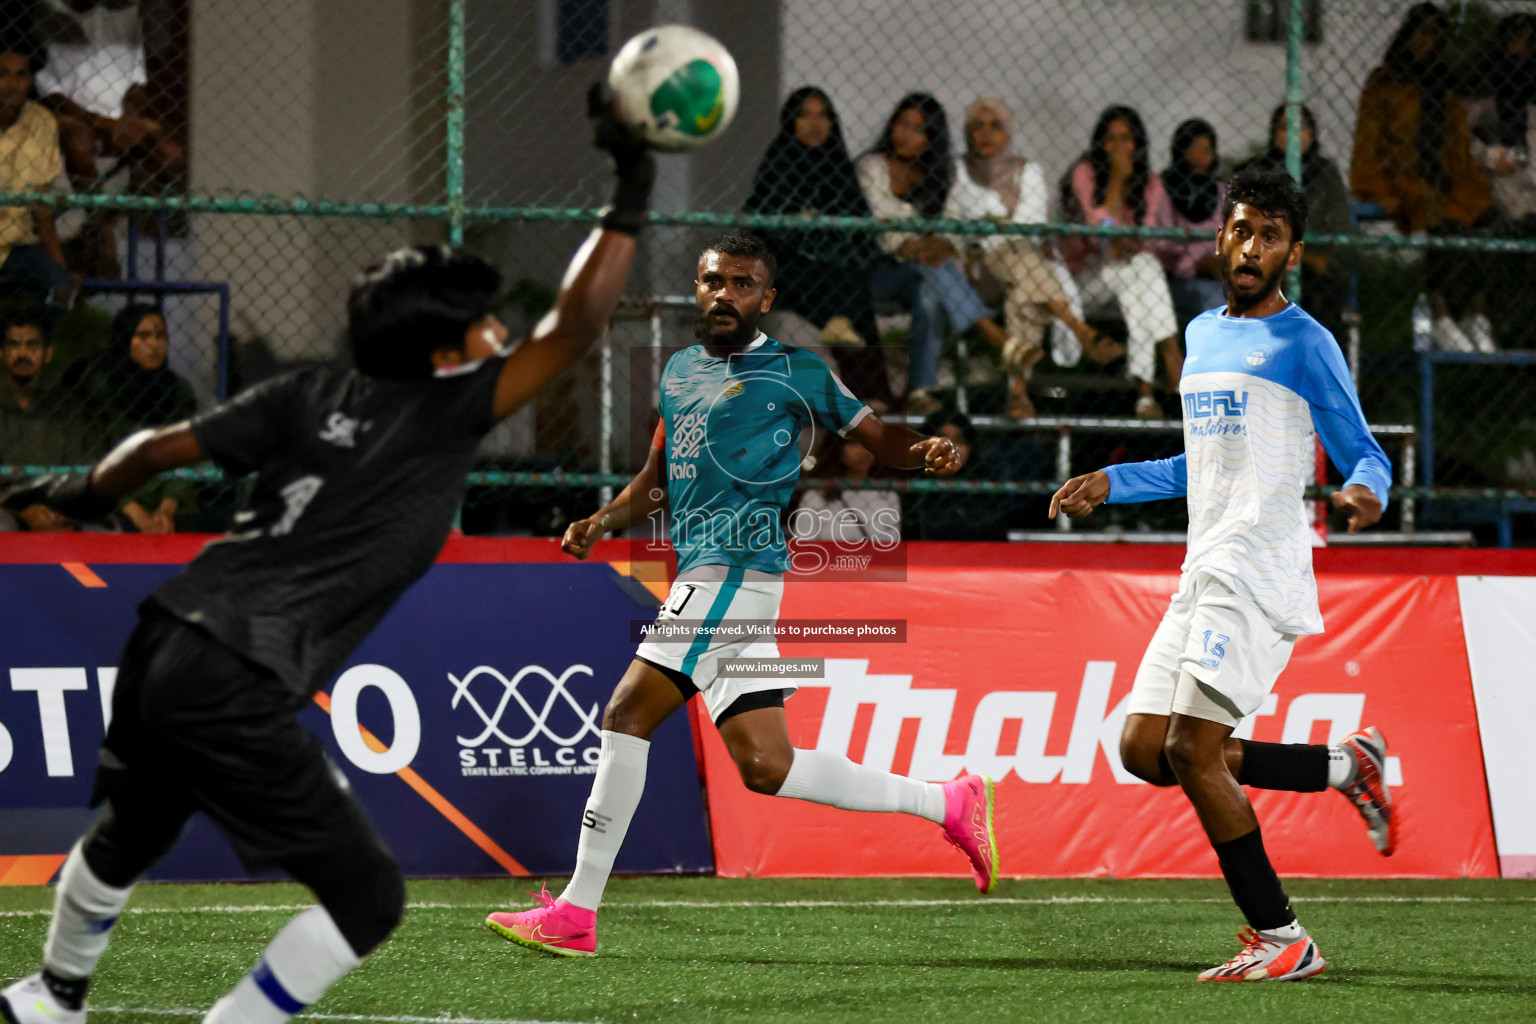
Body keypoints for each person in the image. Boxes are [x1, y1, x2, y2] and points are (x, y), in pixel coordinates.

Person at [0, 85, 654, 1024]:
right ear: (443, 357)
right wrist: (631, 182)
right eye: (482, 326)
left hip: (164, 640)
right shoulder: (447, 411)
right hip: (235, 669)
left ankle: (50, 998)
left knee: (136, 827)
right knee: (369, 898)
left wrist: (71, 495)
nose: (500, 333)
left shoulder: (304, 392)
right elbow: (579, 326)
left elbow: (150, 453)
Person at [485, 231, 999, 958]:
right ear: (698, 288)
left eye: (742, 284)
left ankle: (576, 910)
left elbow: (876, 435)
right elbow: (659, 476)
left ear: (768, 297)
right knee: (767, 766)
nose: (724, 294)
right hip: (715, 582)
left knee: (627, 712)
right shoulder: (680, 371)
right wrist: (602, 520)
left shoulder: (796, 371)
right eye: (713, 280)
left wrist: (924, 450)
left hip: (732, 573)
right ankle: (948, 801)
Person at [1049, 168, 1398, 982]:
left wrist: (1364, 492)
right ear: (1219, 238)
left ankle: (1282, 936)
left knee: (1191, 748)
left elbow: (1366, 450)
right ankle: (1344, 767)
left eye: (1270, 236)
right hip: (1202, 565)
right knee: (1145, 748)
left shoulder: (1306, 342)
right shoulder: (1202, 335)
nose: (1251, 247)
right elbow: (1197, 465)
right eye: (1241, 230)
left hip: (1257, 569)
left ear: (1293, 252)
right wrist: (1115, 479)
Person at [944, 97, 1121, 419]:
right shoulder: (958, 172)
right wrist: (993, 227)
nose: (986, 133)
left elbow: (1032, 225)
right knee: (1024, 261)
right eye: (977, 126)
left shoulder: (1028, 171)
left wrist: (987, 225)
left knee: (1022, 288)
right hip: (977, 272)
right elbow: (954, 226)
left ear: (1008, 131)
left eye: (995, 125)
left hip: (1018, 267)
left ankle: (1018, 392)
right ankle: (1078, 327)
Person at [1350, 2, 1495, 353]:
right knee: (1441, 220)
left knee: (1487, 217)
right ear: (1407, 34)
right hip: (1407, 175)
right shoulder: (1385, 81)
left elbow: (1458, 139)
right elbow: (1367, 140)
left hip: (1447, 174)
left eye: (1434, 34)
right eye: (1421, 32)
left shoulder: (1445, 82)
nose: (1425, 42)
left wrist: (1468, 178)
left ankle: (1476, 314)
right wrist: (1375, 187)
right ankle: (1441, 314)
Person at [857, 93, 1012, 415]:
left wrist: (941, 244)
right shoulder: (871, 167)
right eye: (902, 124)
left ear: (931, 139)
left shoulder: (940, 174)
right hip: (875, 273)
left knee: (929, 288)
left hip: (923, 272)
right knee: (927, 268)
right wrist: (913, 243)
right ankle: (991, 332)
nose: (906, 134)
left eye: (918, 129)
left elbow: (954, 222)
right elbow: (882, 224)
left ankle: (920, 389)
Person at [744, 87, 893, 406]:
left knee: (851, 277)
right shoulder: (778, 165)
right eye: (804, 115)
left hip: (836, 270)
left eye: (822, 115)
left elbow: (860, 231)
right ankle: (872, 393)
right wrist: (801, 225)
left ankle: (869, 392)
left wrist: (820, 230)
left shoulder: (839, 169)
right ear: (790, 122)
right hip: (787, 269)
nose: (815, 123)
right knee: (835, 279)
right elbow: (761, 229)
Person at [1058, 106, 1183, 418]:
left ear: (1138, 145)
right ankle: (1171, 353)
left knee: (1140, 269)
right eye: (1111, 139)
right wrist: (1116, 182)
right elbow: (1096, 231)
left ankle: (1145, 394)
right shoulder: (1084, 173)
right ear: (1100, 144)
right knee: (1140, 268)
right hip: (1082, 278)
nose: (1118, 147)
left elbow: (1150, 242)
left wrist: (1124, 245)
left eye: (1126, 139)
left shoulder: (1151, 183)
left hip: (1130, 275)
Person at [1239, 105, 1355, 339]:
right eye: (1285, 128)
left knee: (1325, 292)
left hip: (1318, 267)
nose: (1294, 134)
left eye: (1302, 127)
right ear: (1274, 134)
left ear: (1312, 134)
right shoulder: (1259, 171)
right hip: (1271, 262)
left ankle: (1321, 369)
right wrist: (1307, 258)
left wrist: (1326, 258)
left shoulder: (1325, 172)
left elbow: (1341, 225)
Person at [0, 310, 90, 530]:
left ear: (47, 354)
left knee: (96, 528)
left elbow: (77, 471)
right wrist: (23, 510)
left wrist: (56, 509)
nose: (22, 353)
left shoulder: (64, 407)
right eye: (14, 345)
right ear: (1, 353)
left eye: (32, 346)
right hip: (5, 505)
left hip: (53, 504)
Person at [0, 38, 73, 306]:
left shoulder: (41, 122)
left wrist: (57, 261)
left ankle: (38, 346)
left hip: (17, 248)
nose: (12, 84)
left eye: (21, 75)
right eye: (3, 74)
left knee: (62, 291)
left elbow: (42, 203)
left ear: (30, 81)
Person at [1161, 118, 1227, 328]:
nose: (1200, 157)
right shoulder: (1164, 190)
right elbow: (1163, 248)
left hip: (1221, 276)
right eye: (1194, 149)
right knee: (1216, 302)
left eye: (1206, 150)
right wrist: (1199, 264)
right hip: (1179, 281)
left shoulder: (1222, 192)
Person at [791, 436, 901, 545]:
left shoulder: (888, 494)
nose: (862, 451)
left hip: (874, 561)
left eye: (868, 444)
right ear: (838, 449)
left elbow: (892, 543)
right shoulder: (816, 495)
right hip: (829, 561)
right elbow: (803, 546)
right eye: (853, 444)